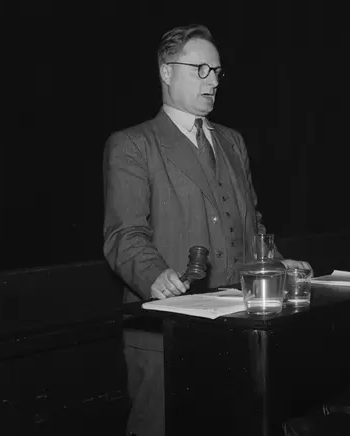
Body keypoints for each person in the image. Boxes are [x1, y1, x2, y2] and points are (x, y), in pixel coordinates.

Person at [103, 24, 311, 436]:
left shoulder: (233, 142)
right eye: (200, 69)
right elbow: (124, 235)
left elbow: (251, 223)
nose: (212, 81)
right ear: (166, 72)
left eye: (216, 71)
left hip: (238, 327)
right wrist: (153, 274)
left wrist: (274, 262)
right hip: (169, 335)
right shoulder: (133, 144)